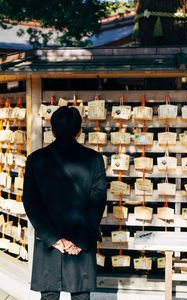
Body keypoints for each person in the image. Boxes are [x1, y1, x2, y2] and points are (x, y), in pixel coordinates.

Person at [22, 106, 107, 300]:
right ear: (79, 132)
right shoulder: (94, 159)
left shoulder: (36, 160)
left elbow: (31, 202)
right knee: (81, 294)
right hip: (81, 238)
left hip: (49, 240)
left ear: (52, 130)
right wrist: (80, 240)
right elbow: (97, 202)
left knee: (49, 295)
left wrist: (53, 239)